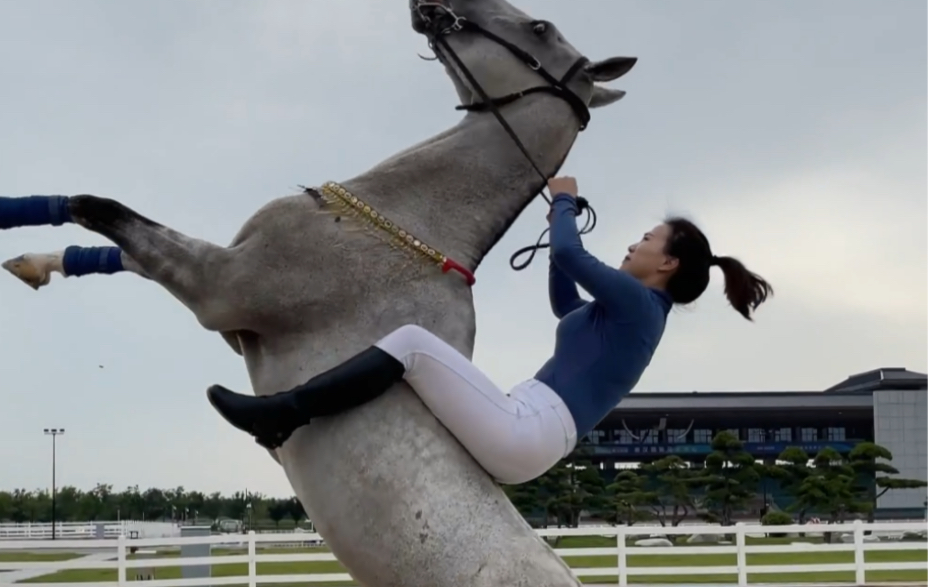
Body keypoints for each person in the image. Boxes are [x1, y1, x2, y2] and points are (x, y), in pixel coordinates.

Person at [206, 176, 773, 484]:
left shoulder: (642, 304)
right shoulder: (624, 313)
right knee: (413, 363)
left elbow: (574, 258)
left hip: (531, 427)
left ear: (668, 264)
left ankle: (284, 413)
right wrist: (554, 231)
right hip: (527, 421)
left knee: (410, 343)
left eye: (647, 240)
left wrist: (565, 204)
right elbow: (563, 301)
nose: (633, 243)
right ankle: (293, 419)